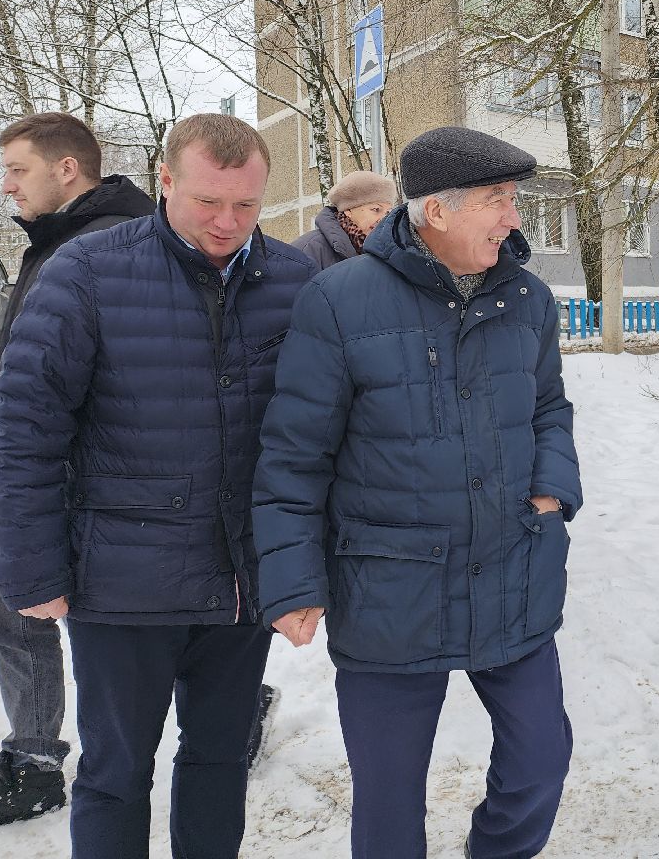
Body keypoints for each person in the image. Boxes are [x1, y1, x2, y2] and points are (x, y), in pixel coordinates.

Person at [0, 114, 315, 859]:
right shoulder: (89, 271)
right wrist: (33, 569)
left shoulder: (295, 281)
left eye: (246, 205)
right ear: (165, 181)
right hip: (121, 584)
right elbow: (25, 430)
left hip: (239, 580)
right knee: (115, 772)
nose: (227, 222)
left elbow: (320, 436)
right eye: (208, 202)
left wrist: (304, 565)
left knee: (220, 760)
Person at [253, 126, 582, 859]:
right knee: (388, 798)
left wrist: (550, 494)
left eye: (513, 198)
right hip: (389, 589)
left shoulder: (528, 298)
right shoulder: (338, 301)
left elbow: (548, 409)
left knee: (540, 760)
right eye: (497, 200)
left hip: (510, 570)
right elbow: (295, 454)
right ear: (437, 210)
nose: (514, 217)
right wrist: (293, 580)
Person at [0, 114, 154, 840]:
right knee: (37, 620)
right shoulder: (63, 239)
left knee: (30, 619)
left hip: (60, 481)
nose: (6, 186)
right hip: (38, 475)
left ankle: (34, 767)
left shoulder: (103, 246)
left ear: (67, 169)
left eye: (17, 169)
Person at [291, 169, 398, 269]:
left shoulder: (389, 252)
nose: (383, 219)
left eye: (388, 213)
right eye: (376, 209)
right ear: (348, 210)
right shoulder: (308, 250)